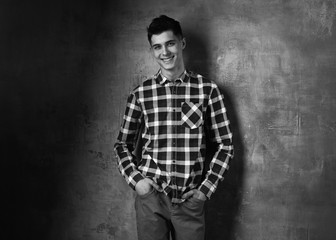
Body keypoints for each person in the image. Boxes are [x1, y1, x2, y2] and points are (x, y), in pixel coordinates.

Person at [114, 15, 234, 240]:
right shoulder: (141, 94)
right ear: (152, 50)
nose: (165, 52)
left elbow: (225, 145)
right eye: (157, 47)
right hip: (152, 199)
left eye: (170, 43)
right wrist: (138, 182)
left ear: (182, 43)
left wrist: (204, 191)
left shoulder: (207, 90)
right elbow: (122, 144)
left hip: (190, 201)